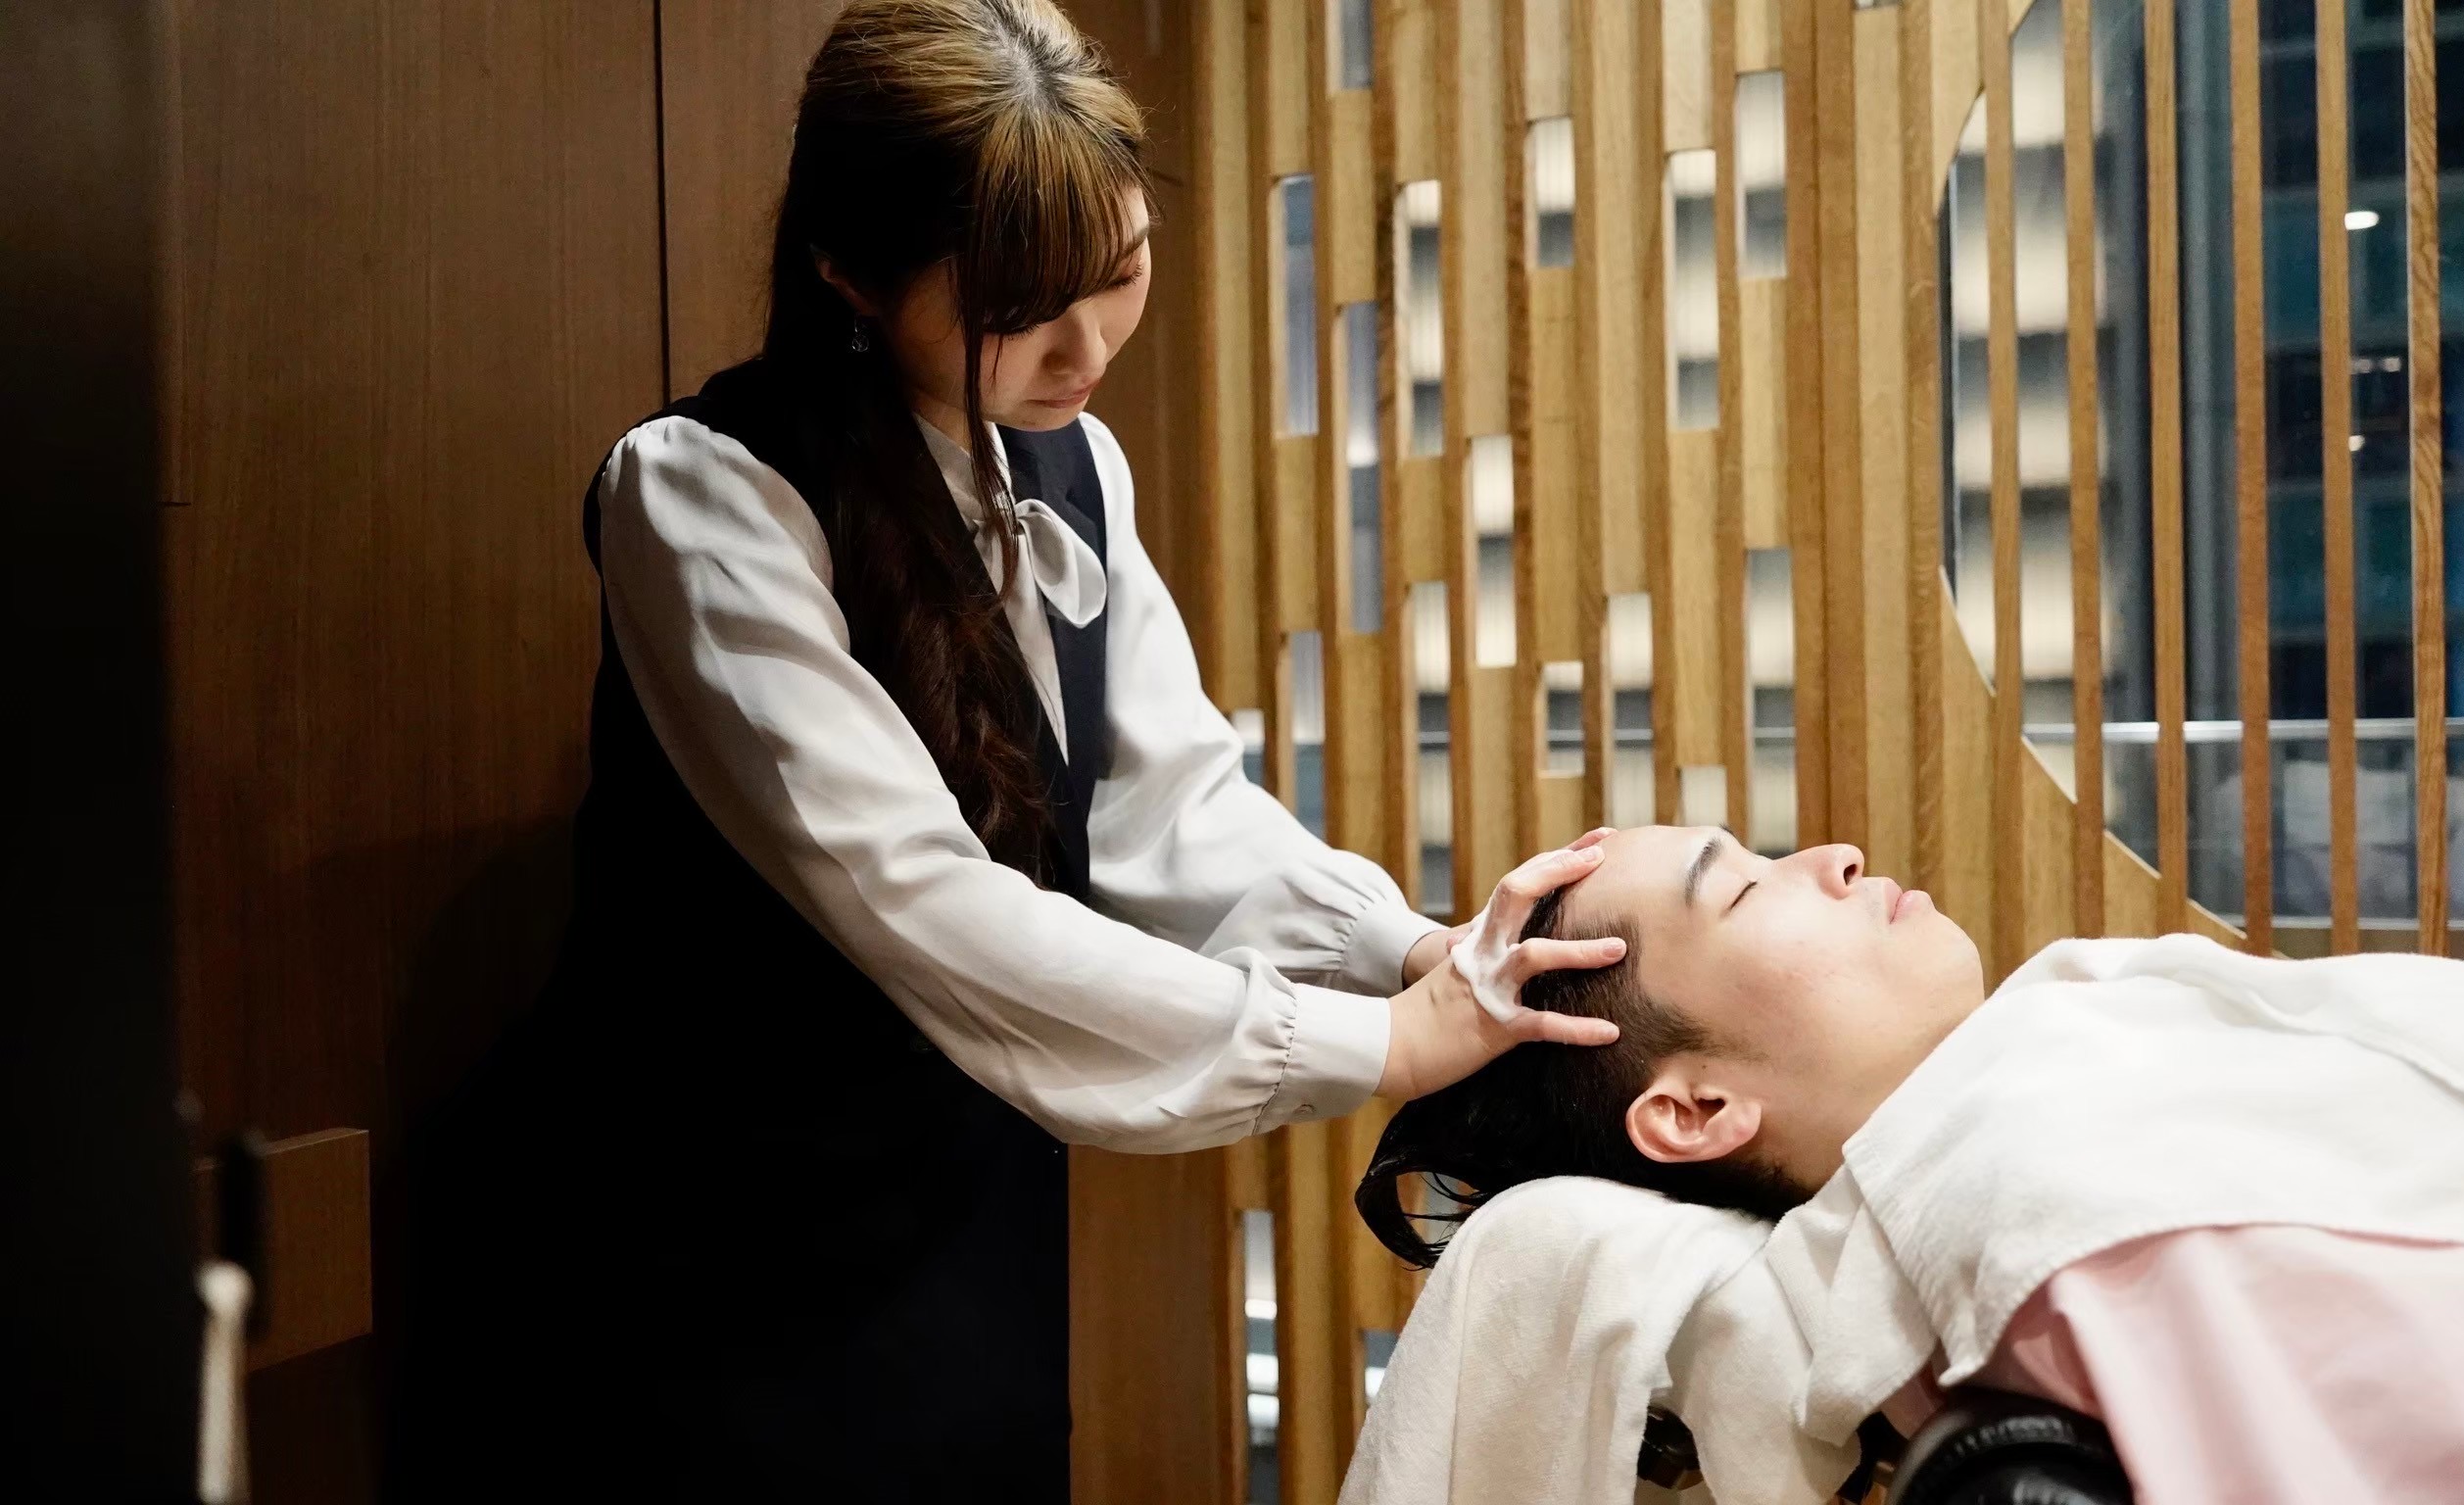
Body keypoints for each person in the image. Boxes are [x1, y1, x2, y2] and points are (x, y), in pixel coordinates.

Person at [392, 4, 1620, 1498]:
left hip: (956, 1224)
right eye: (1021, 310)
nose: (1084, 351)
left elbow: (1169, 810)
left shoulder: (1071, 457)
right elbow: (922, 900)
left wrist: (1405, 953)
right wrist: (1377, 1049)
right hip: (701, 1247)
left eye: (1120, 275)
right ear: (849, 273)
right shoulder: (705, 492)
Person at [1360, 826, 2464, 1503]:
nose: (1835, 856)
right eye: (1749, 888)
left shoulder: (2066, 1073)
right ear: (1698, 1110)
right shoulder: (2049, 1199)